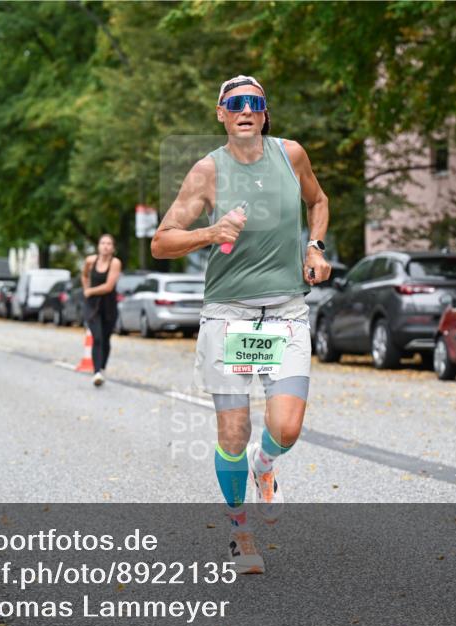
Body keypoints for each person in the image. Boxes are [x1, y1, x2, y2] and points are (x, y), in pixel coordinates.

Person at [151, 74, 331, 575]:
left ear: (265, 112)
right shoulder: (207, 172)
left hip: (286, 312)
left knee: (286, 428)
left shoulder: (291, 156)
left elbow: (318, 203)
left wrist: (314, 247)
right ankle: (239, 532)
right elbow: (161, 242)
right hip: (230, 314)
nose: (245, 110)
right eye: (235, 104)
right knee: (234, 430)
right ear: (222, 113)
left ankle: (265, 465)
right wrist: (210, 231)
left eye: (254, 103)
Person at [81, 234, 123, 386]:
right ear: (98, 246)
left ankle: (102, 367)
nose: (105, 246)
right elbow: (85, 275)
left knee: (105, 338)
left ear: (113, 248)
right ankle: (97, 371)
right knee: (97, 337)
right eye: (103, 243)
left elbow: (109, 287)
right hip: (92, 306)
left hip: (109, 305)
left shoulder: (115, 263)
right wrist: (86, 288)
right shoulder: (90, 261)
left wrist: (90, 291)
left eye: (109, 243)